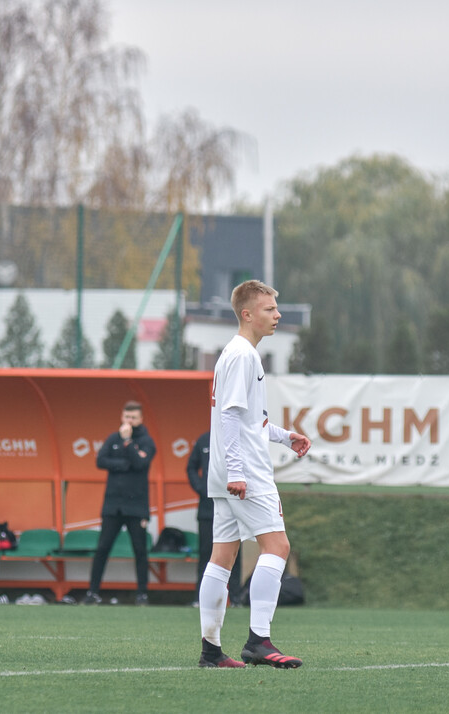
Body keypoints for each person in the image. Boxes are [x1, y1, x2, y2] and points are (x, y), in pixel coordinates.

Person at [198, 279, 312, 670]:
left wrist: (283, 437)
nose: (277, 315)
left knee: (222, 556)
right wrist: (238, 471)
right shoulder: (243, 355)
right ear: (247, 314)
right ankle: (258, 641)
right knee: (277, 548)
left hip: (228, 471)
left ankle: (211, 651)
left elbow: (249, 420)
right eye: (268, 309)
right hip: (244, 471)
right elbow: (230, 416)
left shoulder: (236, 354)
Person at [83, 401, 156, 606]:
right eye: (126, 417)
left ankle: (142, 594)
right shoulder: (112, 438)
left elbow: (141, 463)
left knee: (140, 550)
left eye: (133, 418)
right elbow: (101, 460)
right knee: (103, 548)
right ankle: (93, 592)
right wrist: (124, 464)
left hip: (136, 506)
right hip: (113, 505)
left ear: (140, 419)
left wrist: (128, 443)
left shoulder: (146, 441)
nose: (128, 421)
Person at [186, 431, 242, 607]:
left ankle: (235, 598)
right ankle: (200, 598)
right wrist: (202, 488)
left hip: (233, 506)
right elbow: (191, 468)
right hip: (207, 509)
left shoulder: (237, 438)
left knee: (234, 553)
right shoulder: (203, 440)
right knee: (205, 553)